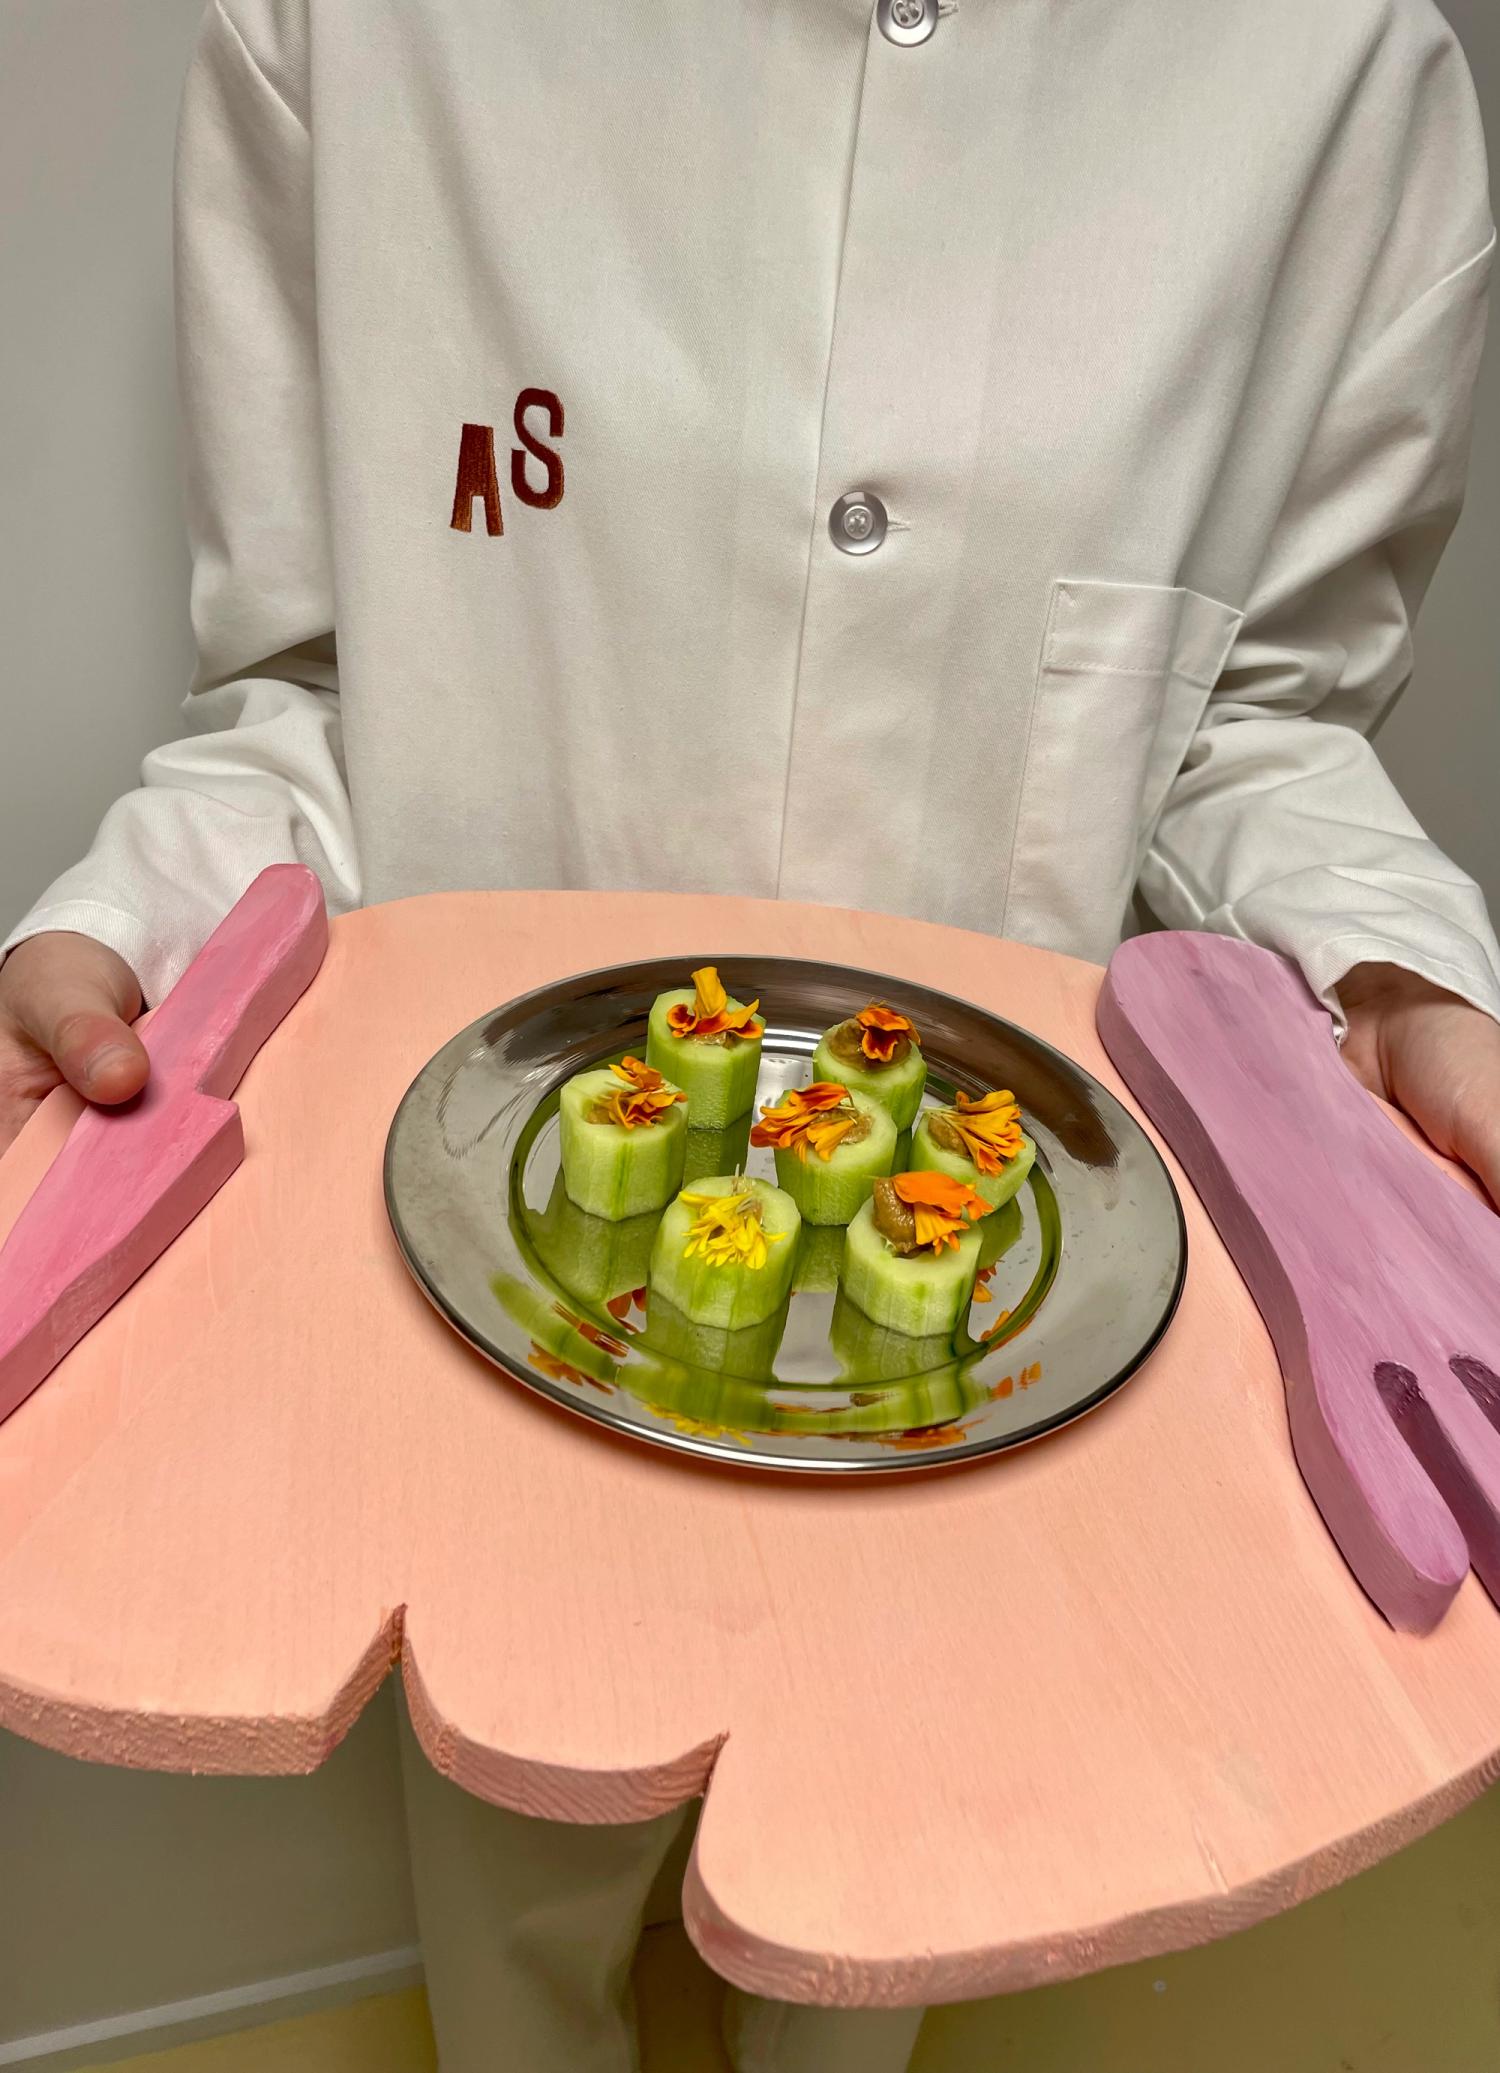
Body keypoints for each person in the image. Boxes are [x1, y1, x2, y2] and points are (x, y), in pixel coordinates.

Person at [1, 0, 1497, 2066]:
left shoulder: (1341, 67)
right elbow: (318, 689)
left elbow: (1256, 719)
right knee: (518, 1893)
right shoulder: (341, 30)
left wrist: (1400, 976)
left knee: (876, 1906)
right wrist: (112, 926)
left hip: (988, 1342)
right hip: (500, 1303)